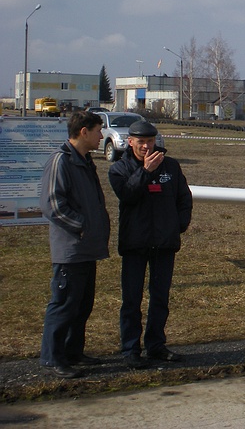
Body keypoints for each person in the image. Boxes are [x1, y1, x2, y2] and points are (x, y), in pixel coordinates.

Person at [108, 120, 192, 369]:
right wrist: (145, 171)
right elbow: (128, 195)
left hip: (164, 243)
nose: (146, 146)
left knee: (160, 297)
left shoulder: (171, 166)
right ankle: (130, 349)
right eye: (141, 142)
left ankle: (156, 345)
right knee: (132, 299)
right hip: (135, 243)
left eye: (150, 141)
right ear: (130, 142)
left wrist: (178, 225)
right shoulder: (119, 169)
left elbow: (184, 198)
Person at [39, 111, 111, 379]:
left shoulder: (85, 161)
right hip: (71, 250)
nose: (101, 136)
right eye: (98, 131)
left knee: (82, 305)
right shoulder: (61, 161)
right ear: (84, 131)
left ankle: (73, 352)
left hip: (86, 249)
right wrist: (83, 226)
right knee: (64, 304)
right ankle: (53, 357)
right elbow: (53, 206)